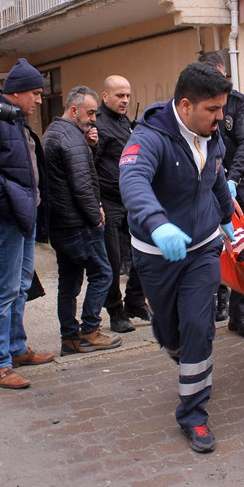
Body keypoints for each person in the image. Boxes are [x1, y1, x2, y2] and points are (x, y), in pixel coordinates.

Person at [119, 62, 235, 453]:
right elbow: (132, 181)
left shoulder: (212, 135)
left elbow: (216, 177)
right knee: (173, 335)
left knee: (199, 327)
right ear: (185, 106)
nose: (220, 118)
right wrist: (157, 224)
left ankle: (194, 415)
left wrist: (228, 218)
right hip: (157, 252)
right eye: (213, 109)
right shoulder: (149, 138)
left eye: (223, 109)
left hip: (203, 248)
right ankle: (177, 347)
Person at [0, 58, 56, 390]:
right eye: (36, 93)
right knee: (2, 291)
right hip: (6, 220)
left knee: (19, 288)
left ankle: (15, 349)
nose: (40, 100)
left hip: (22, 218)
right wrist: (11, 206)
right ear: (16, 93)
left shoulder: (15, 121)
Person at [43, 86, 122, 356]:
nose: (93, 119)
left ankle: (70, 338)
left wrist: (90, 146)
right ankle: (89, 331)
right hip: (78, 224)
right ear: (73, 110)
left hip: (61, 224)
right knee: (102, 273)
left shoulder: (54, 132)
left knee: (69, 281)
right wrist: (96, 218)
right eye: (90, 113)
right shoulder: (70, 137)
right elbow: (81, 185)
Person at [197, 52, 244, 337]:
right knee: (214, 251)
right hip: (211, 191)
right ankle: (217, 302)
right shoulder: (198, 107)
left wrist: (233, 179)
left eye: (218, 74)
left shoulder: (239, 103)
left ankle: (240, 315)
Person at [94, 75, 148, 333]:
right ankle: (116, 313)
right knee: (113, 262)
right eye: (119, 95)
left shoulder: (124, 122)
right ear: (105, 97)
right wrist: (96, 205)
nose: (125, 100)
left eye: (127, 95)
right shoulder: (98, 125)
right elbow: (91, 166)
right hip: (109, 203)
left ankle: (135, 301)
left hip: (131, 201)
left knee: (144, 251)